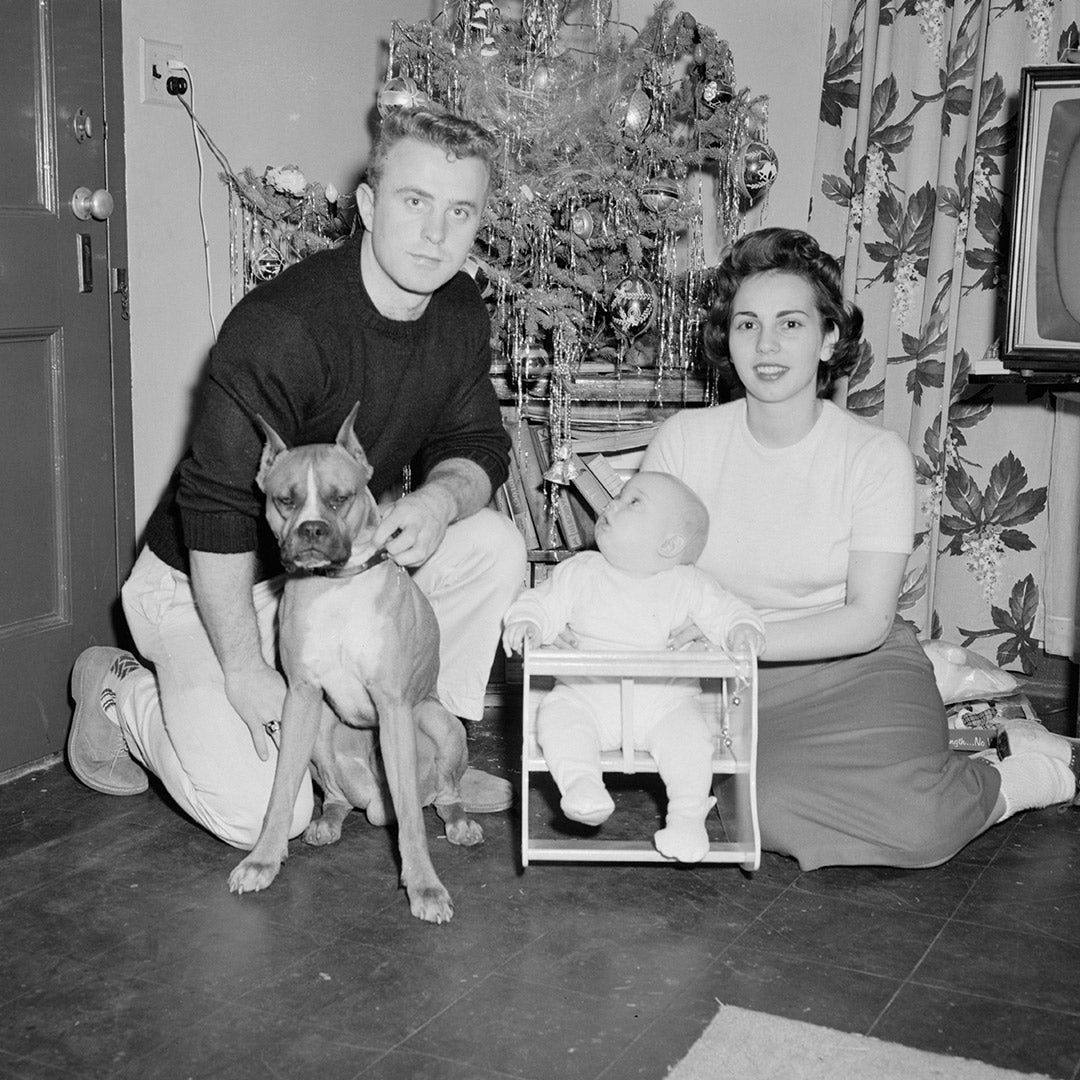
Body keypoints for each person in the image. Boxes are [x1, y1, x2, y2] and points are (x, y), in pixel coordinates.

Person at [67, 108, 526, 849]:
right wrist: (247, 670)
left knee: (493, 545)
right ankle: (121, 691)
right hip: (211, 586)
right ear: (370, 207)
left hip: (340, 570)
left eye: (460, 211)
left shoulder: (459, 310)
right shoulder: (283, 327)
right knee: (265, 813)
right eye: (415, 203)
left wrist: (440, 500)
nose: (437, 234)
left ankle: (415, 754)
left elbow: (476, 441)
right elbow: (215, 507)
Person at [640, 226, 1079, 870]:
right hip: (727, 677)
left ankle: (1026, 776)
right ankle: (955, 719)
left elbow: (866, 619)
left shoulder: (874, 455)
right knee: (759, 812)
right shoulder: (683, 440)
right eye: (746, 325)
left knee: (919, 826)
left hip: (852, 662)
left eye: (791, 324)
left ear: (829, 338)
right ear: (725, 338)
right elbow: (646, 575)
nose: (766, 346)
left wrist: (730, 636)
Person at [502, 471, 765, 863]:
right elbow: (542, 602)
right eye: (619, 496)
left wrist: (743, 629)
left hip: (666, 704)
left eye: (633, 503)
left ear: (670, 544)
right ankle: (582, 786)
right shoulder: (581, 571)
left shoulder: (688, 583)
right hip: (586, 696)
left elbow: (729, 612)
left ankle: (688, 819)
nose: (612, 504)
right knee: (557, 719)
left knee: (693, 742)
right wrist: (528, 622)